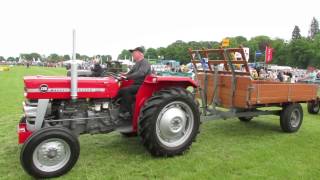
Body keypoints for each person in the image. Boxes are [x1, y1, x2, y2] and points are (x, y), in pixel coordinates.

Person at [117, 47, 151, 122]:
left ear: (140, 54)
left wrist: (127, 76)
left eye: (134, 52)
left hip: (142, 85)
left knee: (126, 90)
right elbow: (129, 73)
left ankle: (126, 112)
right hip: (135, 85)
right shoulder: (136, 64)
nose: (132, 54)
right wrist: (123, 75)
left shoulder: (145, 62)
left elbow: (141, 73)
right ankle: (115, 106)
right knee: (119, 90)